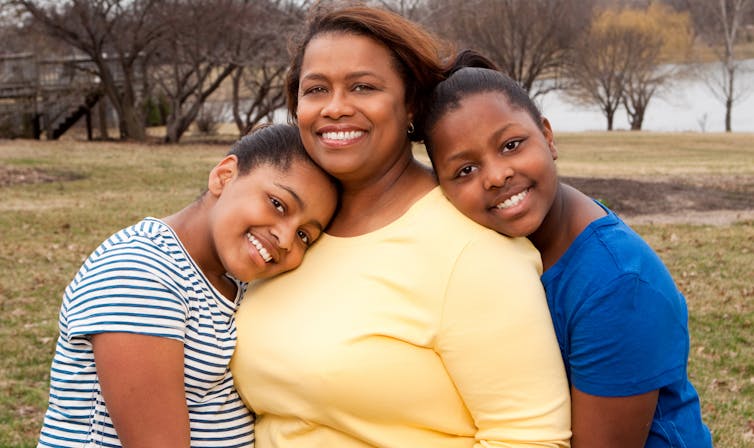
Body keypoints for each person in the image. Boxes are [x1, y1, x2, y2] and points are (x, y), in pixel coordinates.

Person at [230, 5, 571, 448]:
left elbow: (531, 438)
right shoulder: (291, 230)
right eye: (316, 89)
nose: (335, 108)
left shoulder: (471, 253)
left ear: (410, 102)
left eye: (363, 87)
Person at [421, 63, 713, 447]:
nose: (495, 176)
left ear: (547, 136)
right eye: (466, 169)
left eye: (511, 145)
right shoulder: (479, 249)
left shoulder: (617, 284)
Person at [37, 124, 338, 448]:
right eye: (278, 204)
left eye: (304, 235)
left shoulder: (234, 280)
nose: (284, 238)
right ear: (224, 177)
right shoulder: (140, 273)